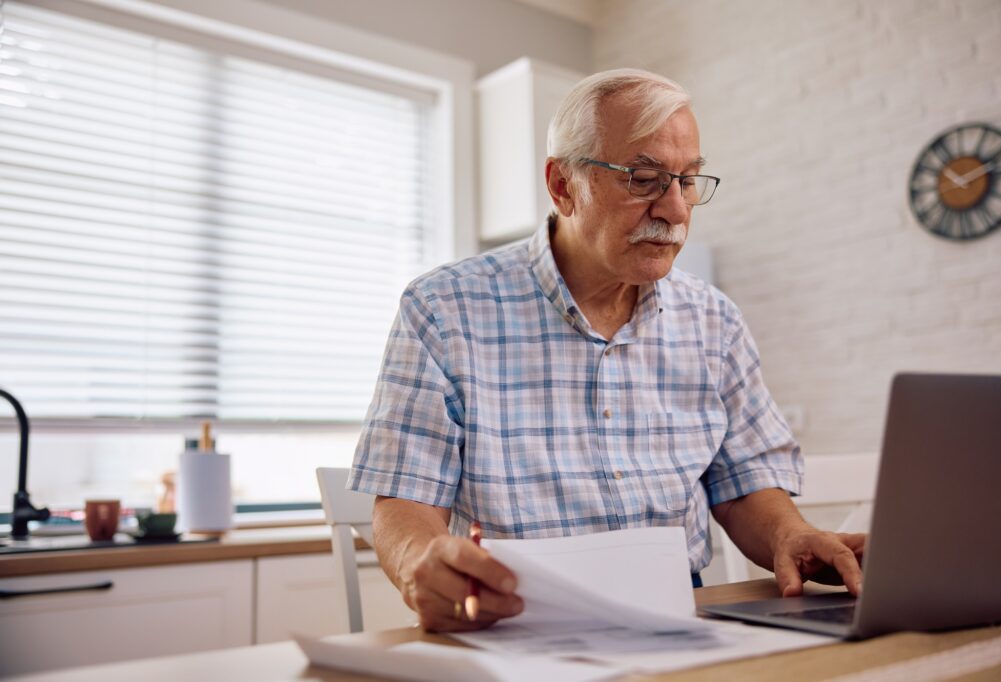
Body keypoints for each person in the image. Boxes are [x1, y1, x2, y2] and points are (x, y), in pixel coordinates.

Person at [348, 68, 866, 632]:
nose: (675, 210)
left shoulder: (714, 320)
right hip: (515, 620)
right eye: (643, 179)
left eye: (687, 181)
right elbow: (404, 499)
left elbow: (745, 484)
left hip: (680, 618)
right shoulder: (445, 307)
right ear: (563, 185)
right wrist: (421, 563)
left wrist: (791, 535)